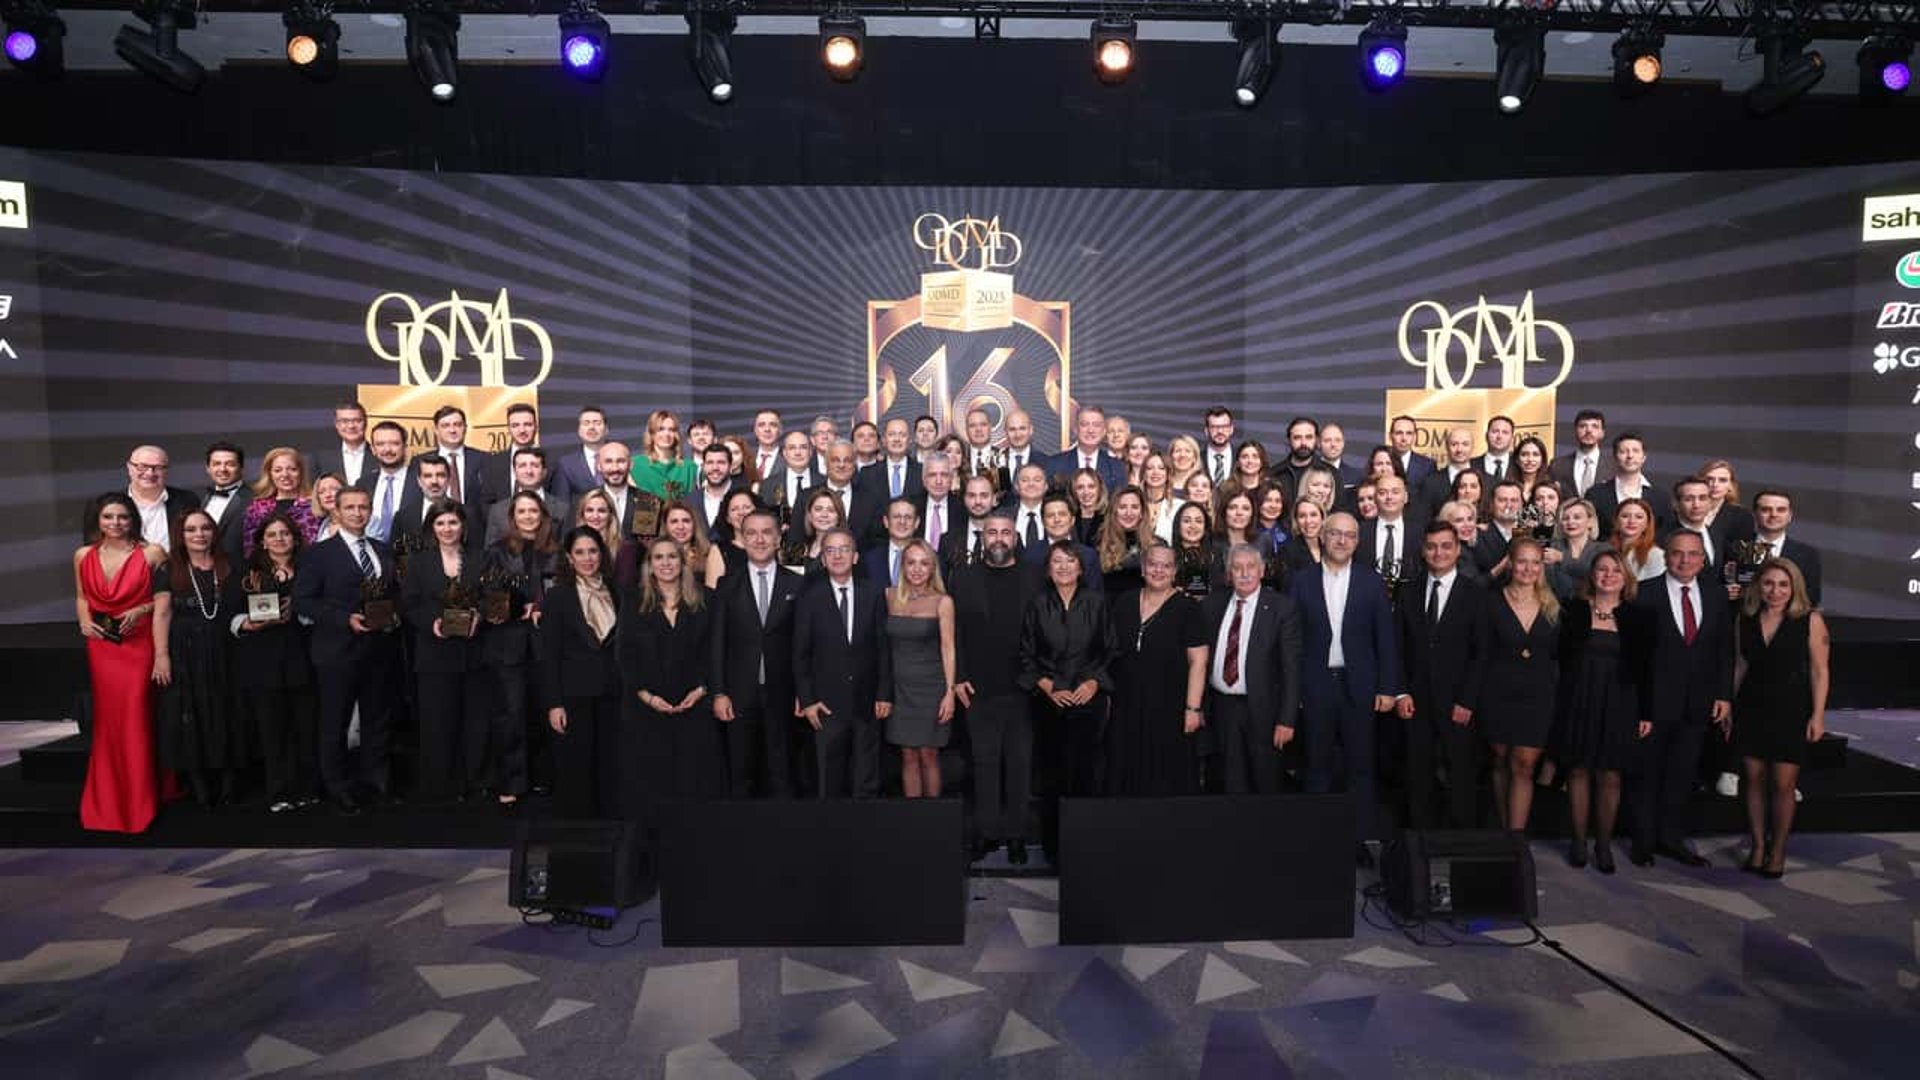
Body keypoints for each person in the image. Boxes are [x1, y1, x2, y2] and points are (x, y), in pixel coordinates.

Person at [1290, 511, 1398, 863]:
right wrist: (1296, 692)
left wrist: (1387, 687)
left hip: (1360, 687)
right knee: (1316, 766)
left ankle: (1357, 842)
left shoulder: (1371, 581)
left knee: (1360, 768)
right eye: (1334, 533)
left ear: (1357, 541)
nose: (1341, 540)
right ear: (1321, 536)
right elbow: (1293, 641)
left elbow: (1386, 639)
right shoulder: (1300, 580)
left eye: (1348, 535)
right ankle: (1316, 840)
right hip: (1316, 685)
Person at [293, 487, 401, 815]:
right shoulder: (318, 553)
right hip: (336, 651)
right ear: (336, 512)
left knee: (377, 720)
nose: (358, 513)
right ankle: (338, 786)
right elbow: (304, 600)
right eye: (350, 507)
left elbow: (393, 593)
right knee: (334, 722)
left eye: (364, 507)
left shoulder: (383, 551)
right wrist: (344, 619)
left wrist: (394, 614)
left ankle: (376, 782)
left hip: (379, 649)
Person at [1631, 530, 1733, 867]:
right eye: (1677, 553)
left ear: (1702, 559)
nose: (1684, 560)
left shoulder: (1717, 596)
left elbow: (1723, 650)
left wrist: (1723, 694)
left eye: (1692, 554)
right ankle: (1643, 841)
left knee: (1681, 773)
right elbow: (1637, 657)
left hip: (1698, 703)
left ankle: (1670, 838)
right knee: (1647, 774)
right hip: (1655, 704)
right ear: (1667, 556)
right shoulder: (1644, 594)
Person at [75, 494, 173, 833]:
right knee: (109, 720)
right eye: (108, 517)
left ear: (133, 520)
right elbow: (81, 596)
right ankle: (108, 801)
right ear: (97, 520)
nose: (115, 523)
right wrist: (83, 620)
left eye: (122, 517)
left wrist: (140, 610)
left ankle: (141, 800)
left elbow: (165, 601)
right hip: (102, 646)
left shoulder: (152, 554)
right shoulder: (83, 555)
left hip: (139, 644)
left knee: (136, 716)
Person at [1555, 549, 1654, 873]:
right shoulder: (1573, 610)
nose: (1608, 575)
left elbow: (1647, 669)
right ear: (1591, 576)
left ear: (1625, 578)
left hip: (1620, 703)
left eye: (1615, 570)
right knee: (1579, 771)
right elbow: (1559, 660)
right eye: (1601, 569)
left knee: (1610, 775)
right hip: (1579, 700)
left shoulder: (1639, 616)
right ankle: (1579, 841)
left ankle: (1603, 844)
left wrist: (1646, 713)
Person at [1732, 558, 1829, 878]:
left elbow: (1819, 670)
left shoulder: (1810, 620)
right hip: (1751, 706)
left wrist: (1817, 715)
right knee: (1754, 780)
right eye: (1769, 583)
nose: (1776, 591)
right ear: (1759, 585)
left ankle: (1779, 850)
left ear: (1795, 587)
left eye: (1783, 585)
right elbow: (1740, 666)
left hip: (1790, 708)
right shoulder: (1745, 618)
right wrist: (1730, 706)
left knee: (1783, 784)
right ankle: (1758, 846)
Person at [953, 513, 1042, 863]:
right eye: (992, 532)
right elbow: (954, 634)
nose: (999, 538)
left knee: (1019, 765)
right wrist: (958, 676)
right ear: (982, 537)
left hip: (1023, 688)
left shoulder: (1034, 577)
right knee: (983, 764)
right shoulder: (963, 577)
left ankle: (1017, 836)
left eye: (1005, 532)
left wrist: (1036, 678)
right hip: (977, 687)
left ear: (1015, 538)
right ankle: (986, 833)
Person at [1020, 540, 1119, 852]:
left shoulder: (1097, 603)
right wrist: (1047, 685)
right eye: (1057, 562)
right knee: (1052, 775)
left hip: (1088, 701)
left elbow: (1111, 650)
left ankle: (1086, 846)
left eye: (1070, 561)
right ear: (1048, 570)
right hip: (1049, 702)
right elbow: (1026, 654)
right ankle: (1054, 849)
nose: (1063, 567)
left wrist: (1092, 683)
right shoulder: (1037, 605)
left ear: (1081, 568)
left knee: (1087, 773)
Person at [1395, 521, 1489, 830]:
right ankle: (1419, 843)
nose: (1439, 553)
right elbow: (1398, 647)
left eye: (1446, 546)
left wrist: (1468, 700)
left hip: (1457, 703)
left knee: (1460, 774)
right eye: (1432, 546)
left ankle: (1459, 843)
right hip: (1415, 700)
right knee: (1416, 774)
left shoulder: (1475, 594)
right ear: (1423, 550)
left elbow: (1481, 653)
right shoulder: (1407, 591)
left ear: (1458, 550)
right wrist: (1401, 692)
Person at [620, 536, 721, 823]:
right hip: (647, 710)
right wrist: (648, 697)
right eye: (659, 558)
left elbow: (713, 651)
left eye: (672, 557)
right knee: (653, 790)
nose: (666, 563)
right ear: (649, 565)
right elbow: (624, 655)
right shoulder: (632, 600)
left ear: (683, 561)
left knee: (694, 789)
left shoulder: (705, 599)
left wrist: (702, 689)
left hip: (695, 707)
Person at [710, 508, 807, 798]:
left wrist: (805, 692)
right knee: (741, 774)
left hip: (785, 693)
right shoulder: (727, 585)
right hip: (739, 694)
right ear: (742, 538)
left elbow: (804, 645)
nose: (759, 539)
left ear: (779, 538)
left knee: (783, 772)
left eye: (767, 532)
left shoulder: (798, 585)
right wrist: (718, 692)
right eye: (751, 533)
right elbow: (717, 643)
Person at [402, 498, 491, 804]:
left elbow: (493, 596)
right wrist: (432, 623)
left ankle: (475, 780)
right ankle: (442, 785)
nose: (447, 528)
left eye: (453, 522)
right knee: (438, 722)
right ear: (432, 528)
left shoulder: (482, 558)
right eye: (440, 523)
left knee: (476, 721)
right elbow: (410, 603)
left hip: (473, 653)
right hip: (434, 655)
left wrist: (480, 614)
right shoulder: (418, 562)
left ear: (463, 525)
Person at [793, 528, 894, 797]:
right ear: (822, 559)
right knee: (828, 782)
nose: (838, 556)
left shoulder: (873, 593)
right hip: (825, 707)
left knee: (866, 781)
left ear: (856, 556)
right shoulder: (809, 597)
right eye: (830, 550)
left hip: (867, 703)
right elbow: (800, 653)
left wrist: (884, 694)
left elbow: (883, 647)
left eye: (844, 549)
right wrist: (807, 699)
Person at [158, 509, 246, 809]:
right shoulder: (168, 568)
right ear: (181, 536)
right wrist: (161, 656)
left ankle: (229, 781)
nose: (199, 534)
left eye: (206, 528)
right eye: (192, 529)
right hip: (186, 652)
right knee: (191, 714)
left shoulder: (231, 565)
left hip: (226, 649)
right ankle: (198, 783)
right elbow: (162, 613)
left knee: (226, 710)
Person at [1107, 543, 1210, 796]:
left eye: (1166, 566)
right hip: (1127, 705)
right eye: (1153, 564)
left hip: (1171, 707)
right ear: (1143, 568)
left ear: (1175, 571)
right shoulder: (1124, 602)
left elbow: (1199, 661)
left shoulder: (1188, 608)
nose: (1158, 570)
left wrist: (1193, 709)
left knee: (1166, 775)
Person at [233, 514, 317, 814]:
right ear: (262, 541)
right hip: (263, 660)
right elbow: (232, 612)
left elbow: (322, 608)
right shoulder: (248, 572)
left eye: (285, 534)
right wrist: (247, 625)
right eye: (272, 534)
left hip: (303, 657)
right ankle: (280, 792)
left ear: (296, 539)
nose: (279, 539)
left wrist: (300, 609)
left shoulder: (310, 569)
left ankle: (308, 789)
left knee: (306, 727)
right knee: (273, 730)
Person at [1204, 544, 1303, 795]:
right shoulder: (1212, 605)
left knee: (1265, 781)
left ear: (1262, 571)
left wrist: (1287, 719)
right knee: (1227, 782)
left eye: (1251, 567)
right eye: (1237, 568)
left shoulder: (1282, 608)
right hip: (1222, 708)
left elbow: (1291, 669)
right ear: (1229, 574)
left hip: (1264, 711)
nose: (1245, 573)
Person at [539, 526, 624, 818]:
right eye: (580, 552)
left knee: (611, 765)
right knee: (577, 768)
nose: (588, 558)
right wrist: (554, 703)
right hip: (573, 696)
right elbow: (548, 656)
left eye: (593, 551)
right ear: (569, 558)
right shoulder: (557, 598)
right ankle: (579, 835)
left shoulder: (619, 592)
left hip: (613, 693)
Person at [1477, 538, 1559, 833]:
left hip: (1538, 695)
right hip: (1497, 693)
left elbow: (1560, 656)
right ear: (1510, 564)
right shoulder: (1490, 601)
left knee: (1524, 764)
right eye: (1521, 561)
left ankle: (1516, 839)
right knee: (1500, 761)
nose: (1528, 568)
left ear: (1541, 566)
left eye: (1534, 562)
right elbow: (1481, 653)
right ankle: (1503, 831)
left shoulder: (1554, 604)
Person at [481, 491, 555, 810]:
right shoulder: (496, 552)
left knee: (544, 712)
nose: (528, 516)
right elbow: (489, 597)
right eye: (521, 511)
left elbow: (565, 591)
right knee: (511, 715)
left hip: (545, 644)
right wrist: (515, 609)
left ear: (542, 514)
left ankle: (541, 777)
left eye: (533, 510)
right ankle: (513, 780)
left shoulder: (556, 551)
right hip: (508, 644)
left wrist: (542, 606)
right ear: (513, 517)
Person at [885, 540, 958, 798]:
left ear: (933, 568)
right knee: (907, 755)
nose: (917, 569)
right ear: (902, 566)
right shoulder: (889, 597)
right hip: (899, 689)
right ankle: (912, 821)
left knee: (928, 754)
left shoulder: (943, 602)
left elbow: (948, 648)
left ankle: (933, 823)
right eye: (911, 562)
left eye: (924, 563)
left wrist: (949, 692)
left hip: (932, 688)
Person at [1589, 431, 1671, 537]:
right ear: (1615, 457)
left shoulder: (1661, 497)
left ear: (1644, 457)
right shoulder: (1596, 494)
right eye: (1623, 451)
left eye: (1636, 451)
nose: (1630, 456)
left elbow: (1666, 535)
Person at [242, 446, 323, 553]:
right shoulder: (257, 508)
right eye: (278, 470)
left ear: (301, 472)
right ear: (270, 474)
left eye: (292, 469)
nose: (285, 475)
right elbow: (250, 548)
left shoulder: (315, 505)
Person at [485, 447, 569, 547]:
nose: (529, 471)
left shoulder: (563, 509)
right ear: (514, 472)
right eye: (522, 466)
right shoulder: (497, 511)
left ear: (544, 472)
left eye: (535, 465)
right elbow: (490, 555)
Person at [1751, 489, 1823, 606]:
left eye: (1781, 510)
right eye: (1766, 509)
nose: (1773, 514)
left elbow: (1812, 597)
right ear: (1755, 514)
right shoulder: (1735, 548)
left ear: (1789, 516)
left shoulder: (1808, 555)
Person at [419, 405, 496, 510]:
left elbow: (491, 499)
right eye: (445, 425)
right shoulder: (420, 461)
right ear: (436, 430)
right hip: (435, 523)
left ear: (465, 428)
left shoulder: (485, 459)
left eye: (457, 425)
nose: (452, 430)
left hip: (476, 525)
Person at [1021, 493, 1101, 587]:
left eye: (1062, 514)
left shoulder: (1088, 555)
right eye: (1050, 515)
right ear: (1043, 522)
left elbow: (1097, 597)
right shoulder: (1030, 556)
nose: (1057, 520)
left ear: (1072, 520)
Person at [1048, 405, 1127, 491]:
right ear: (1076, 429)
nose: (1090, 430)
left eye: (1096, 425)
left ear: (1104, 431)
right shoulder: (1055, 464)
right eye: (1085, 424)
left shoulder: (1117, 467)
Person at [573, 489, 638, 593]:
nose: (595, 516)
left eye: (601, 511)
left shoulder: (626, 550)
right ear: (582, 514)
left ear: (610, 515)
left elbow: (626, 590)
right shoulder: (570, 547)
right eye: (590, 510)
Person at [1357, 474, 1416, 583]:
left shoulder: (1420, 533)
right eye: (1382, 493)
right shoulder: (1359, 532)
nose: (1389, 497)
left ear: (1406, 497)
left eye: (1395, 492)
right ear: (1375, 498)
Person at [631, 409, 699, 500]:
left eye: (671, 430)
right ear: (651, 433)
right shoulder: (635, 465)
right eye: (661, 429)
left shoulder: (689, 468)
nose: (666, 434)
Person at [760, 430, 826, 522]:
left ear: (810, 452)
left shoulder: (825, 483)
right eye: (792, 448)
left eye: (803, 447)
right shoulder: (768, 485)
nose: (798, 453)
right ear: (784, 453)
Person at [202, 441, 250, 566]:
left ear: (241, 467)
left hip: (239, 573)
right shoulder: (203, 498)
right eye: (217, 464)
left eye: (230, 464)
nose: (222, 469)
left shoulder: (254, 500)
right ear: (208, 468)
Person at [856, 417, 924, 503]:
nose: (897, 439)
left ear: (910, 440)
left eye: (902, 435)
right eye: (891, 434)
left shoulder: (922, 471)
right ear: (884, 440)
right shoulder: (867, 474)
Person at [1546, 498, 1602, 600]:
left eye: (1577, 517)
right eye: (1565, 518)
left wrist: (1563, 559)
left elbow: (1596, 574)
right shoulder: (1552, 547)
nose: (1570, 522)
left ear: (1590, 522)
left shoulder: (1603, 549)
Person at [1096, 485, 1149, 595]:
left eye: (1134, 507)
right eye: (1122, 507)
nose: (1128, 513)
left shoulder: (1156, 544)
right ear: (1114, 511)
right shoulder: (1098, 542)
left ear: (1142, 513)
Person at [311, 399, 375, 490]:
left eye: (357, 420)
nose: (351, 426)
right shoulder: (322, 457)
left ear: (366, 423)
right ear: (336, 424)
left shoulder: (378, 455)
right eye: (344, 421)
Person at [941, 473, 1000, 570]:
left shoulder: (1010, 538)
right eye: (972, 496)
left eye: (984, 496)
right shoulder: (947, 541)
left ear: (994, 500)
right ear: (964, 499)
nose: (978, 501)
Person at [365, 421, 411, 543]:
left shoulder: (421, 480)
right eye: (380, 444)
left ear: (405, 447)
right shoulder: (363, 483)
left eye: (394, 443)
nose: (387, 449)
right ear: (373, 449)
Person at [554, 405, 611, 504]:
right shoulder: (566, 465)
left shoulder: (621, 459)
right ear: (579, 430)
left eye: (597, 423)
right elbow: (561, 507)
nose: (592, 427)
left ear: (606, 429)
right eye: (586, 423)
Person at [1550, 409, 1611, 499]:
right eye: (1583, 426)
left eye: (1595, 426)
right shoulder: (1558, 466)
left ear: (1602, 433)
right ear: (1575, 431)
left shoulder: (1614, 466)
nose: (1589, 430)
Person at [706, 488, 759, 588]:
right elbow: (712, 596)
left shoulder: (770, 546)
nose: (741, 512)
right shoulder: (718, 551)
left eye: (746, 507)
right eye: (734, 509)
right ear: (728, 518)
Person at [1610, 497, 1666, 582]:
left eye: (1639, 517)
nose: (1632, 521)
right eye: (1625, 516)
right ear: (1616, 521)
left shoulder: (1656, 555)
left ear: (1647, 524)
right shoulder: (1604, 550)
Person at [492, 403, 544, 495]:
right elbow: (487, 502)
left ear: (536, 427)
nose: (522, 430)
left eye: (527, 424)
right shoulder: (493, 462)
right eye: (515, 425)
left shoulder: (551, 463)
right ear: (508, 429)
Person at [1170, 502, 1217, 600]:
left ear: (1205, 527)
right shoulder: (1167, 557)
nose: (1193, 526)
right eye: (1187, 521)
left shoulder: (1216, 557)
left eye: (1199, 521)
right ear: (1178, 525)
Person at [694, 444, 743, 534]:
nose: (715, 468)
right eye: (710, 463)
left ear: (731, 466)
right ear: (703, 466)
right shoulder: (690, 501)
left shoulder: (745, 498)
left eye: (721, 462)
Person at [1140, 451, 1183, 543]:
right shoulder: (1134, 505)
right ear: (1143, 474)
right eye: (1150, 468)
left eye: (1161, 468)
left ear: (1168, 474)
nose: (1155, 472)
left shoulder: (1179, 506)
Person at [1387, 415, 1437, 488]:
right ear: (1390, 436)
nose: (1404, 438)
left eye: (1409, 433)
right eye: (1399, 433)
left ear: (1415, 437)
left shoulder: (1428, 466)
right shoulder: (1381, 462)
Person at [1471, 415, 1519, 481]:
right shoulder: (1470, 465)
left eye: (1505, 432)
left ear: (1512, 438)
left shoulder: (1519, 465)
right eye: (1495, 431)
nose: (1499, 436)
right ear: (1486, 435)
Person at [1070, 467, 1109, 546]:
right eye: (1080, 487)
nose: (1086, 492)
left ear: (1100, 489)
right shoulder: (1068, 518)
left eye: (1091, 486)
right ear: (1074, 491)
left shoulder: (1110, 517)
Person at [1512, 435, 1554, 504]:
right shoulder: (1508, 484)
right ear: (1517, 459)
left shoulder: (1550, 486)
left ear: (1542, 459)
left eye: (1535, 454)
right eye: (1524, 454)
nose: (1530, 459)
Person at [1202, 406, 1238, 485]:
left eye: (1224, 426)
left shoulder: (1240, 457)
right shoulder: (1197, 459)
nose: (1220, 431)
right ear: (1206, 431)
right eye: (1214, 427)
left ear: (1231, 429)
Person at [748, 408, 785, 485]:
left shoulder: (789, 459)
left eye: (773, 425)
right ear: (755, 430)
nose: (767, 429)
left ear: (780, 430)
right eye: (761, 425)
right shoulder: (746, 457)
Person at [310, 474, 347, 544]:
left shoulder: (365, 519)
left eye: (334, 489)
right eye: (321, 492)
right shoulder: (323, 526)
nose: (328, 495)